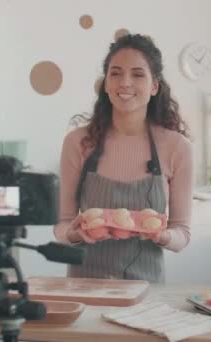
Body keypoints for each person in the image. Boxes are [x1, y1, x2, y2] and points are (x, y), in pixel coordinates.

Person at [54, 34, 193, 283]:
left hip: (147, 292)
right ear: (106, 84)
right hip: (85, 289)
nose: (125, 83)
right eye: (115, 73)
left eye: (138, 74)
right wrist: (74, 234)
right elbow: (61, 227)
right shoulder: (78, 142)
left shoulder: (177, 147)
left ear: (154, 86)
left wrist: (163, 236)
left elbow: (182, 233)